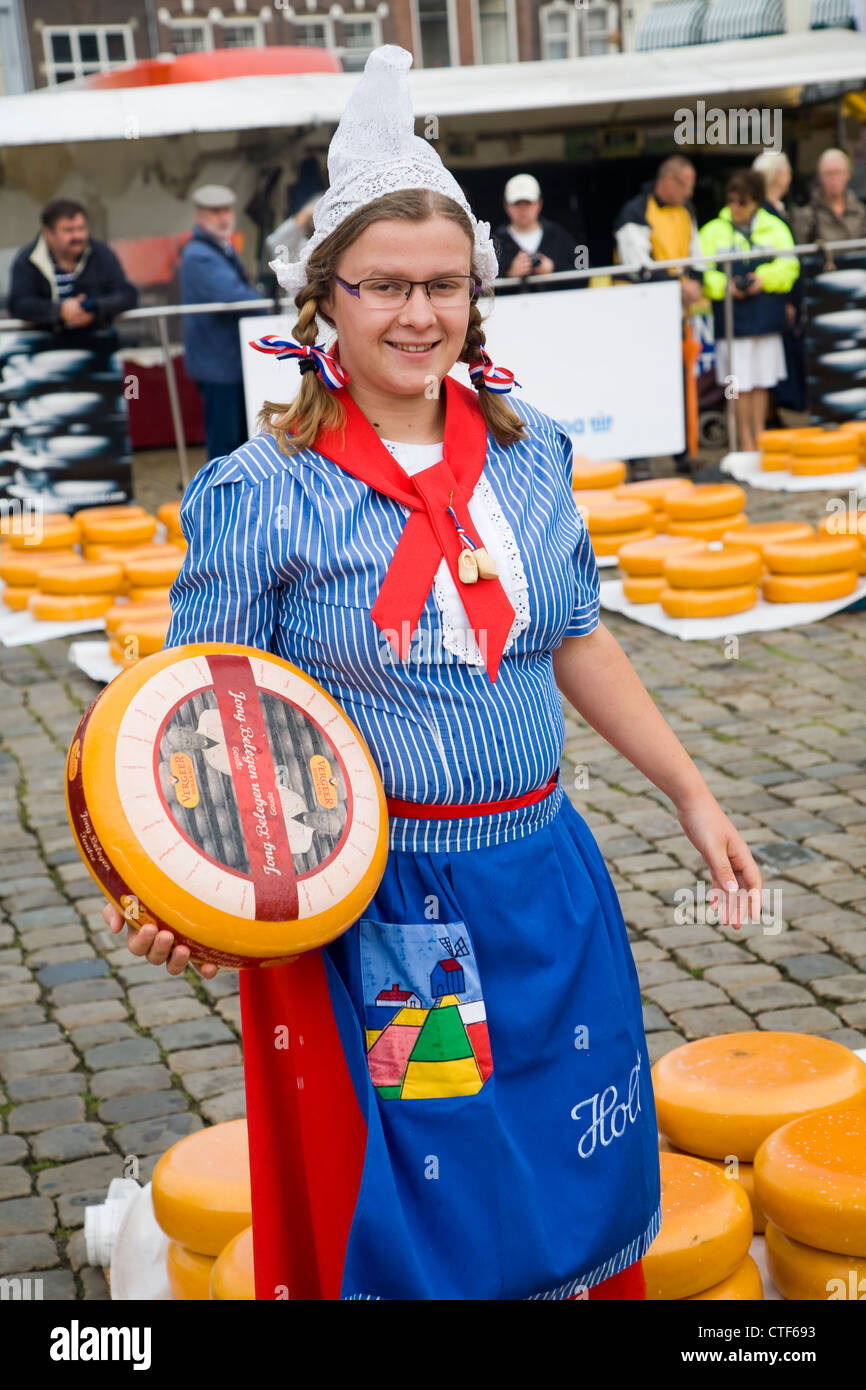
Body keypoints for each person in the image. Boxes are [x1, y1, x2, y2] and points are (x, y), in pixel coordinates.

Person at [103, 45, 761, 1303]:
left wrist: (688, 792)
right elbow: (198, 705)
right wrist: (175, 881)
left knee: (579, 1164)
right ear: (324, 302)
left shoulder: (529, 457)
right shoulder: (262, 494)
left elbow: (573, 634)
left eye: (443, 286)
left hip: (545, 878)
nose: (417, 315)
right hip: (384, 910)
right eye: (384, 287)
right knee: (431, 1210)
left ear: (476, 292)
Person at [613, 156, 704, 481]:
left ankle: (683, 452)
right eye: (688, 184)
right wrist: (680, 283)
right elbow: (637, 264)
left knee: (678, 381)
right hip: (640, 314)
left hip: (676, 313)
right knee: (641, 381)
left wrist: (694, 282)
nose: (691, 191)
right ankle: (638, 457)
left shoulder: (686, 212)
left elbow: (697, 256)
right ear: (670, 180)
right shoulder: (635, 212)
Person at [700, 170, 799, 453]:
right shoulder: (713, 231)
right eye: (731, 201)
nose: (735, 207)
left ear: (755, 201)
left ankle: (760, 437)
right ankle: (743, 441)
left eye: (741, 202)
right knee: (738, 384)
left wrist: (762, 279)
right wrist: (725, 286)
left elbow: (790, 266)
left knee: (761, 381)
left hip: (765, 315)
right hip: (733, 321)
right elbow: (701, 272)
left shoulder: (775, 227)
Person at [178, 184, 269, 461]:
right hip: (218, 365)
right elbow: (234, 296)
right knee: (226, 444)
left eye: (227, 210)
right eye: (216, 212)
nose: (224, 217)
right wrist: (264, 304)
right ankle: (221, 500)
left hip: (227, 362)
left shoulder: (220, 247)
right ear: (199, 215)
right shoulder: (199, 254)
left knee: (239, 438)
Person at [7, 197, 137, 345]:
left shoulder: (101, 253)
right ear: (48, 233)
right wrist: (60, 311)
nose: (78, 236)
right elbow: (18, 304)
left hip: (98, 344)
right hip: (43, 349)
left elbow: (127, 295)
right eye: (69, 230)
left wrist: (93, 307)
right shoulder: (28, 260)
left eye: (81, 228)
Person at [752, 151, 807, 416]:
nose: (790, 177)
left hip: (780, 299)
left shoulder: (776, 210)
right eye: (786, 172)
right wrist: (786, 299)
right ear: (777, 177)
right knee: (771, 367)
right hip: (772, 302)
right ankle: (780, 414)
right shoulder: (764, 214)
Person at [493, 173, 576, 280]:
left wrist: (554, 268)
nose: (523, 209)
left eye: (528, 202)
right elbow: (477, 288)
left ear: (539, 203)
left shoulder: (559, 235)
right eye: (517, 203)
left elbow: (585, 270)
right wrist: (508, 274)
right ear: (506, 205)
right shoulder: (494, 243)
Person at [793, 147, 866, 243]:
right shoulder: (808, 215)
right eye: (828, 173)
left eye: (838, 172)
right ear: (820, 177)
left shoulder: (860, 211)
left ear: (848, 174)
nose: (833, 178)